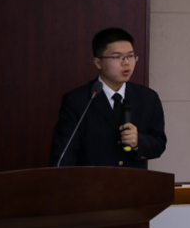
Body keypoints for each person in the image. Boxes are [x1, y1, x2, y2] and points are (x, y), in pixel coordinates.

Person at [49, 28, 167, 169]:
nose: (126, 62)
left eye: (130, 56)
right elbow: (64, 154)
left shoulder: (148, 98)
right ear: (98, 62)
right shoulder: (77, 100)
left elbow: (159, 144)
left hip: (134, 181)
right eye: (117, 57)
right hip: (92, 181)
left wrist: (138, 142)